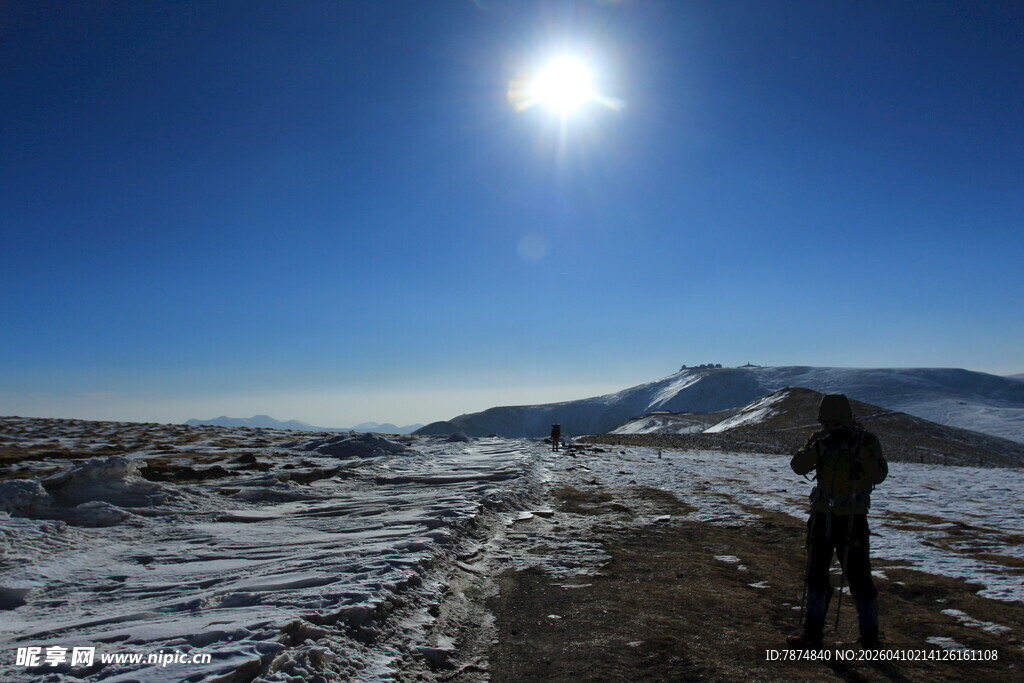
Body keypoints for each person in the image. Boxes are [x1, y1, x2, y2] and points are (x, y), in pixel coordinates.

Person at [788, 393, 888, 649]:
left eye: (835, 423)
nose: (830, 428)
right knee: (815, 574)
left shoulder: (866, 441)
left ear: (845, 418)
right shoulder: (819, 439)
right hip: (822, 515)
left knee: (859, 577)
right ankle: (812, 633)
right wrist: (820, 446)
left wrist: (858, 452)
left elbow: (878, 475)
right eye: (826, 423)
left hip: (853, 517)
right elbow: (798, 466)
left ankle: (869, 638)